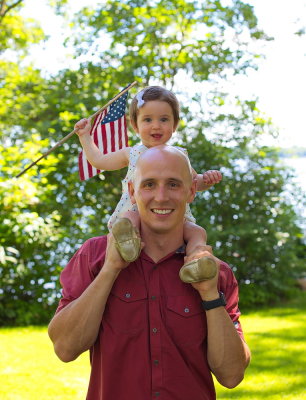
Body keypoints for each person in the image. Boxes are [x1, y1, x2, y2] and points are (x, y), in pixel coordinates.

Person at [48, 145, 251, 400]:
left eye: (174, 184)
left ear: (191, 191)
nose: (161, 196)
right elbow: (65, 348)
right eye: (149, 184)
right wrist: (110, 269)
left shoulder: (215, 272)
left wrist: (210, 294)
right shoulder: (94, 256)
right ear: (132, 192)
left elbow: (231, 375)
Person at [74, 86, 222, 276]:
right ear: (135, 126)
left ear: (174, 124)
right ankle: (128, 244)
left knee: (197, 231)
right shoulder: (132, 152)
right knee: (129, 220)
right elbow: (99, 161)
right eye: (148, 119)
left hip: (172, 218)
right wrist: (85, 137)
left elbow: (194, 183)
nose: (156, 126)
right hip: (137, 211)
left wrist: (206, 180)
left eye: (164, 119)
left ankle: (197, 259)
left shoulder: (179, 156)